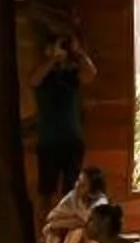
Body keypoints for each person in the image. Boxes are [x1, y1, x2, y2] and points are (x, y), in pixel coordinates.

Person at [32, 30, 96, 204]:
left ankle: (67, 228)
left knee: (71, 191)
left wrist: (78, 51)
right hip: (48, 141)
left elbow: (91, 73)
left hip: (72, 140)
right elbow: (34, 80)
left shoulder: (71, 75)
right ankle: (45, 229)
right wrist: (53, 59)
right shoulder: (43, 74)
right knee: (46, 192)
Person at [41, 165, 111, 243]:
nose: (76, 186)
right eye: (78, 180)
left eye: (82, 185)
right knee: (53, 228)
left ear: (92, 191)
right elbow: (51, 216)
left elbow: (85, 223)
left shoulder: (101, 202)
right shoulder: (72, 196)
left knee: (78, 229)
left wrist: (65, 220)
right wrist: (68, 220)